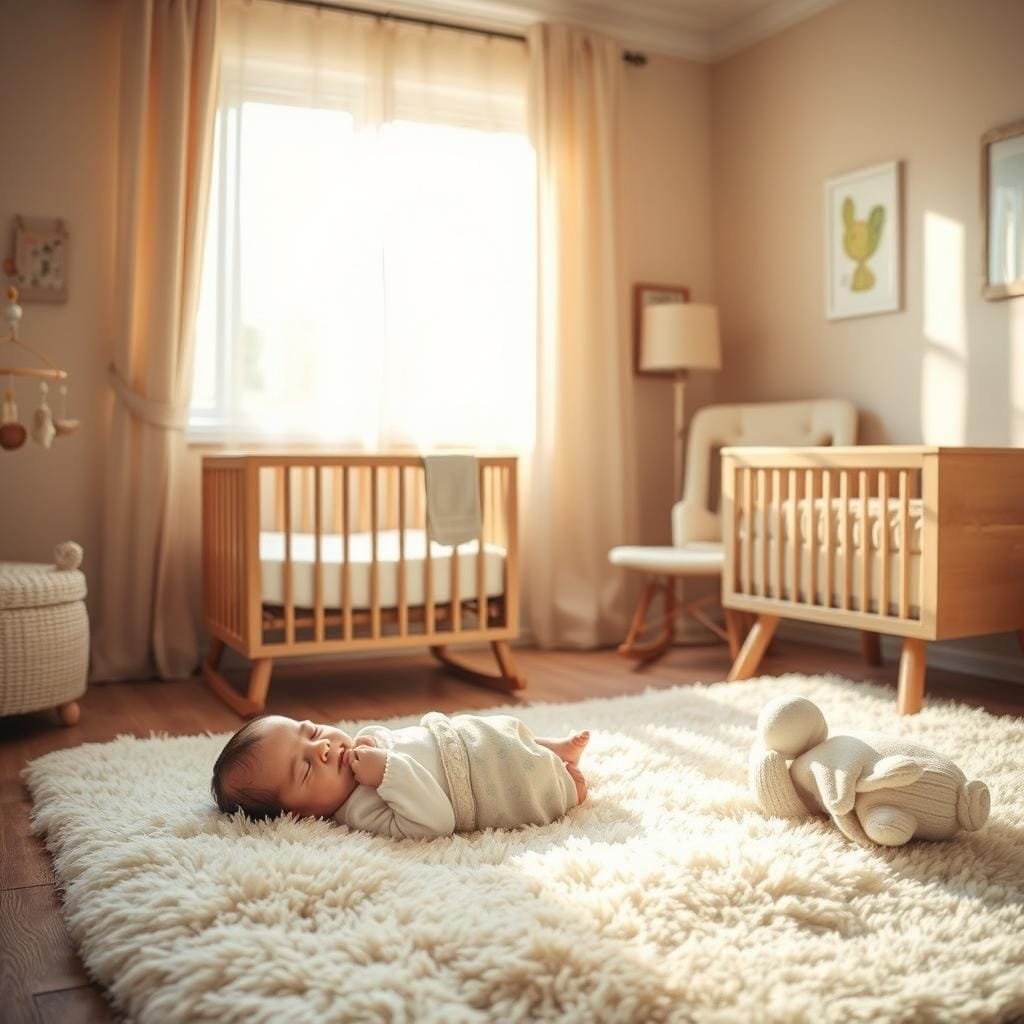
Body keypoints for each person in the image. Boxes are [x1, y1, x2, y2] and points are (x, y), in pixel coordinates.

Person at [211, 712, 589, 839]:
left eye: (311, 732)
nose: (322, 747)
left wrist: (373, 740)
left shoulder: (357, 748)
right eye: (306, 767)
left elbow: (400, 738)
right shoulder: (359, 810)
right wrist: (387, 772)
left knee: (501, 729)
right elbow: (434, 822)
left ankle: (553, 747)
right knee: (527, 776)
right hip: (483, 778)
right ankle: (569, 785)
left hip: (461, 737)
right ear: (300, 815)